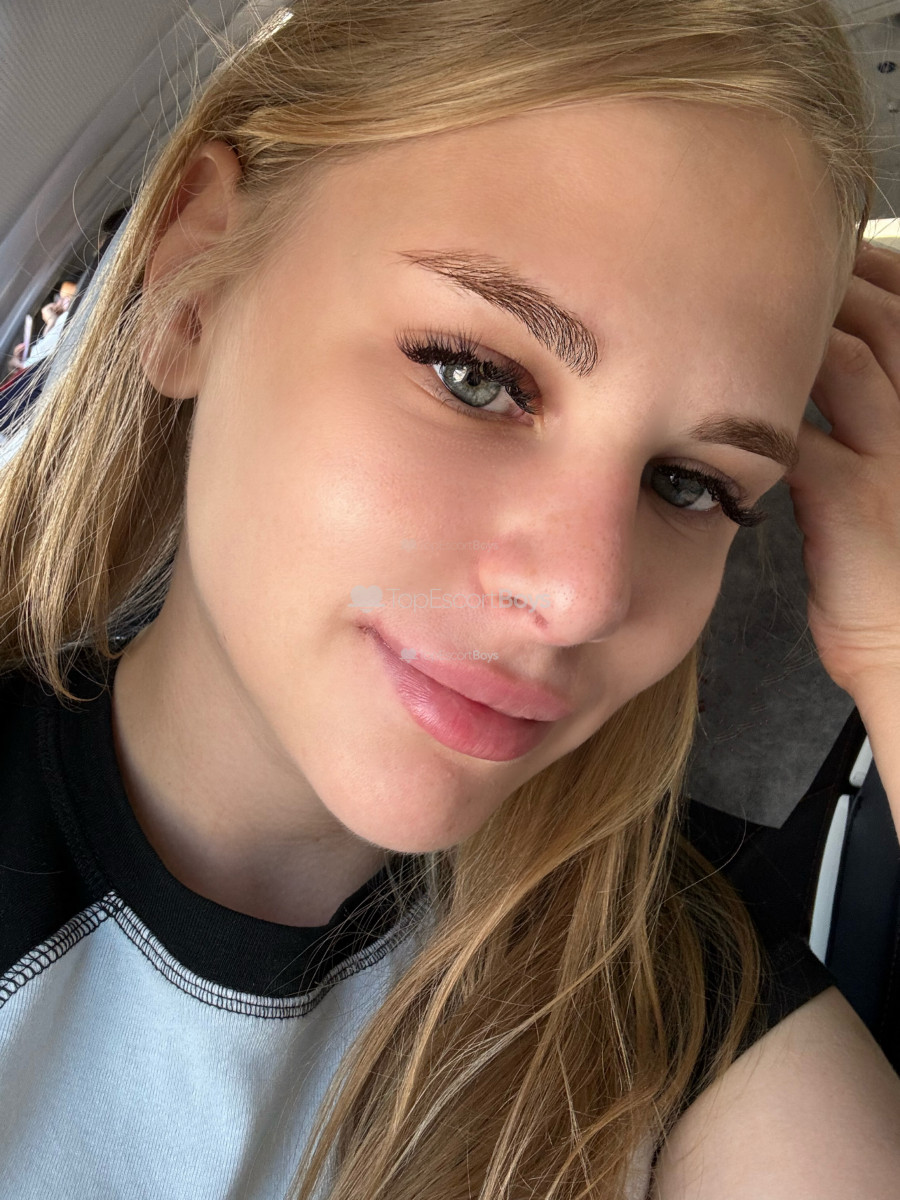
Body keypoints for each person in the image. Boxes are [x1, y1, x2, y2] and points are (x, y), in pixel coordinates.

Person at [0, 1, 898, 1198]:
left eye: (692, 485)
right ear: (192, 283)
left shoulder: (686, 1032)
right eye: (475, 377)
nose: (582, 594)